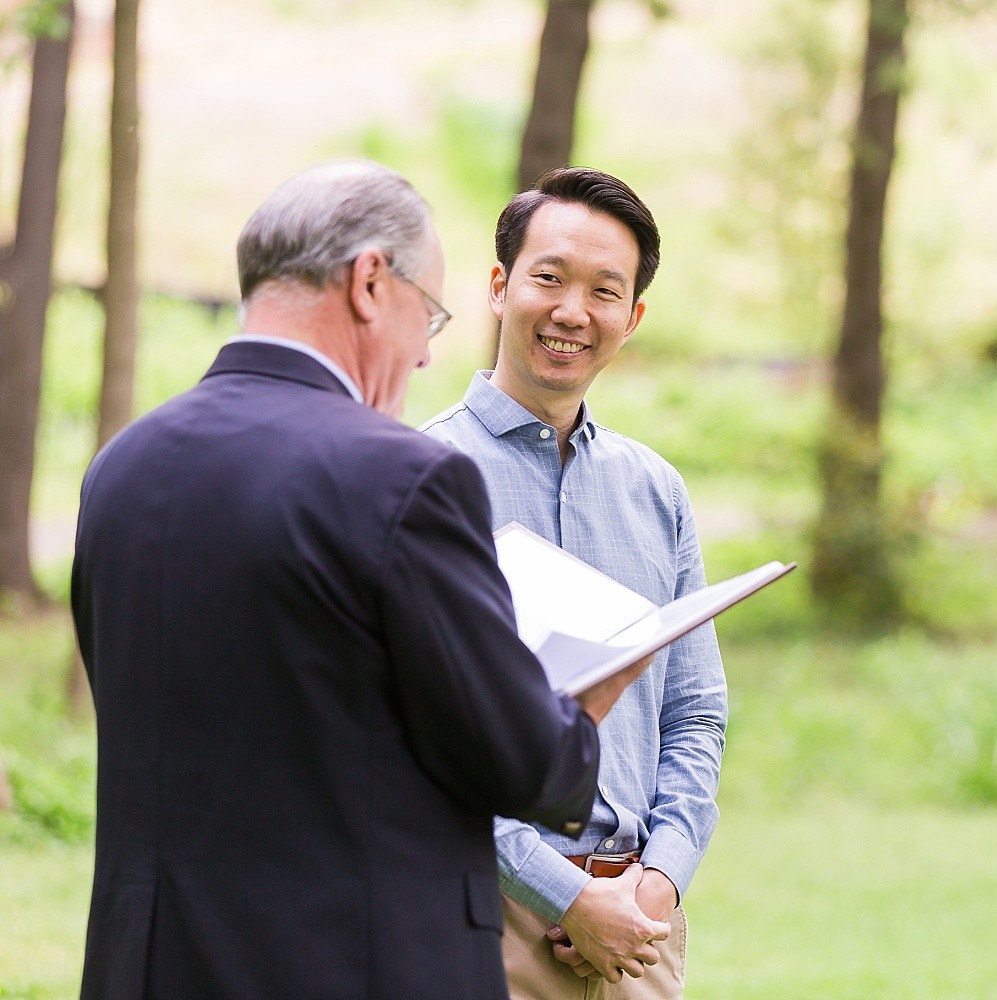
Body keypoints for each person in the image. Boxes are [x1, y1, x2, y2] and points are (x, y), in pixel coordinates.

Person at [70, 161, 658, 1000]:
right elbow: (522, 760)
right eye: (430, 314)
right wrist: (587, 700)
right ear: (372, 283)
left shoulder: (121, 469)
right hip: (350, 965)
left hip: (149, 965)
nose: (423, 354)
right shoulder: (403, 478)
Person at [422, 167, 727, 998]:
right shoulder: (418, 477)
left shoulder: (655, 490)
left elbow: (694, 712)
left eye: (604, 291)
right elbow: (412, 738)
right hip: (484, 920)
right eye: (548, 278)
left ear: (632, 318)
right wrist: (564, 893)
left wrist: (655, 883)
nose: (571, 312)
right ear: (499, 286)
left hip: (641, 929)